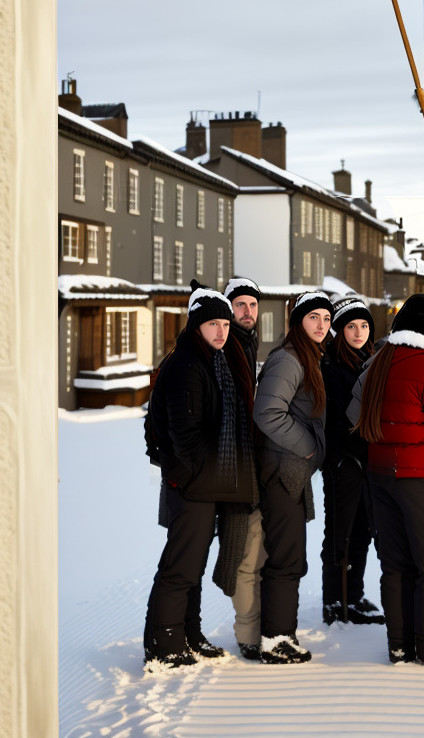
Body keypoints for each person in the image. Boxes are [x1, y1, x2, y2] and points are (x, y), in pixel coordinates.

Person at [349, 294, 424, 665]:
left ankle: (400, 645)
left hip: (379, 473)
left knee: (396, 564)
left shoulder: (377, 362)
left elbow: (353, 413)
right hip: (421, 476)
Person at [143, 287, 258, 669]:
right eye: (214, 324)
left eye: (225, 324)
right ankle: (165, 642)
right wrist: (191, 477)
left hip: (205, 483)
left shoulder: (214, 361)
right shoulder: (188, 366)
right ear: (197, 326)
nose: (222, 331)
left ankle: (188, 633)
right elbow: (185, 434)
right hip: (192, 485)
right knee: (180, 567)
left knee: (192, 564)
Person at [251, 291, 333, 663]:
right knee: (286, 557)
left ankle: (281, 634)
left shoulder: (308, 357)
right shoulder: (288, 359)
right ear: (298, 321)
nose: (321, 325)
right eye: (313, 317)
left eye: (326, 319)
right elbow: (267, 412)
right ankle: (276, 639)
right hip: (283, 469)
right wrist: (309, 447)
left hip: (292, 470)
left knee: (291, 554)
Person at [319, 297, 384, 626]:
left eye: (363, 326)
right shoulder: (332, 366)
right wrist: (341, 459)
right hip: (343, 463)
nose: (358, 332)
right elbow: (333, 421)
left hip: (366, 463)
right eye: (351, 326)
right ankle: (335, 601)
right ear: (339, 330)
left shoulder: (369, 360)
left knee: (362, 531)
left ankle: (353, 595)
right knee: (340, 533)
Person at [220, 275, 269, 657]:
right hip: (233, 469)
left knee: (254, 549)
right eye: (240, 305)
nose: (248, 312)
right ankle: (248, 635)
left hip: (248, 464)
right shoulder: (227, 347)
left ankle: (252, 628)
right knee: (244, 552)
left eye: (253, 305)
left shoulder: (246, 346)